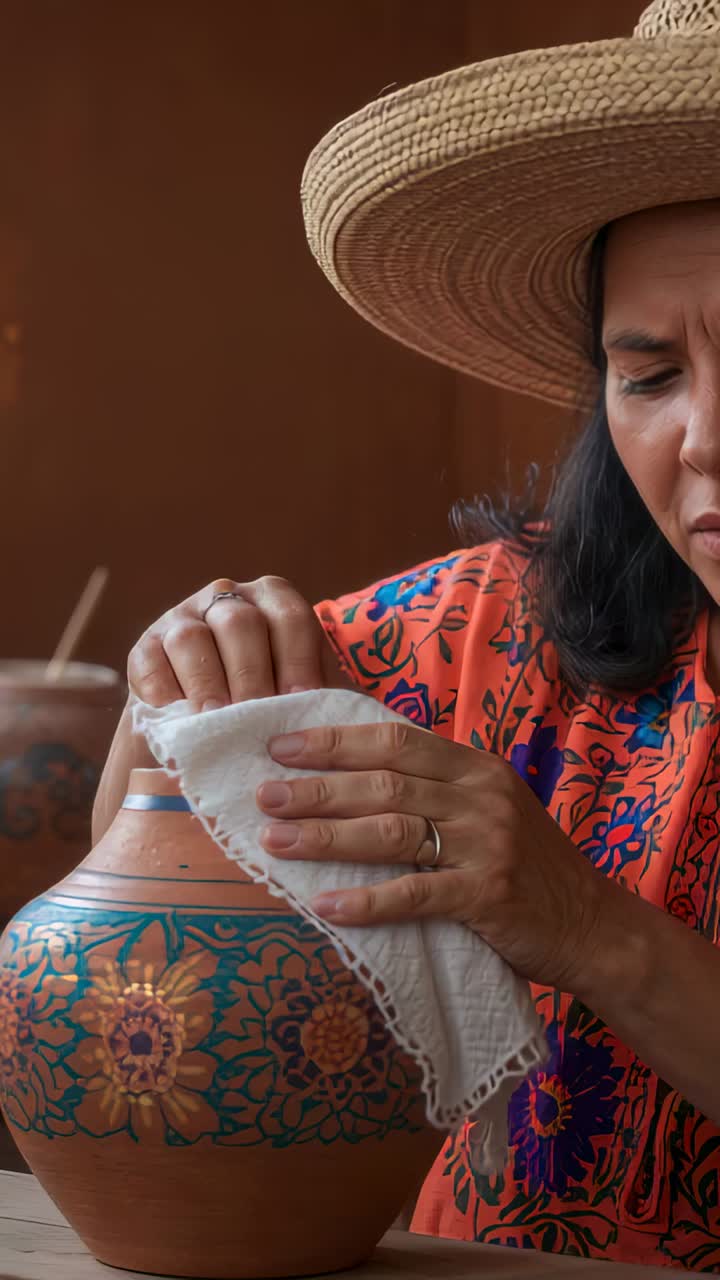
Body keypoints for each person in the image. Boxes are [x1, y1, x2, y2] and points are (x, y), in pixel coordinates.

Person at [94, 0, 720, 1269]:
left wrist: (589, 924)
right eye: (650, 376)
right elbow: (154, 861)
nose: (702, 439)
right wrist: (184, 693)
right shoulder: (481, 629)